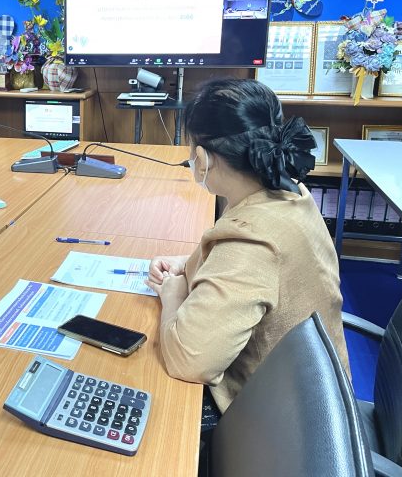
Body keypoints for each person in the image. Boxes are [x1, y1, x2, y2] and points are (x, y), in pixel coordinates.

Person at [144, 78, 349, 427]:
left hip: (279, 429)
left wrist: (173, 295)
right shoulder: (287, 191)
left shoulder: (251, 241)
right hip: (316, 398)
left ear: (202, 160)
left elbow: (188, 361)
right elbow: (240, 264)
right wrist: (187, 264)